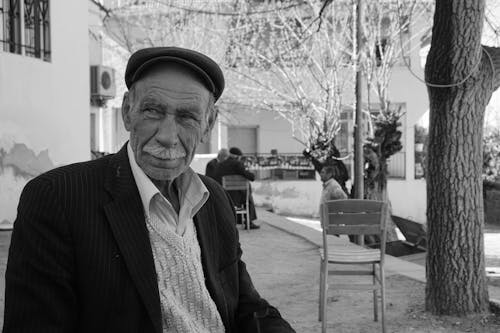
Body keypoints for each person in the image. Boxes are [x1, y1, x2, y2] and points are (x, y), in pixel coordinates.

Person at [3, 47, 295, 333]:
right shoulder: (57, 198)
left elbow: (245, 305)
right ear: (128, 111)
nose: (168, 137)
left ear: (208, 124)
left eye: (187, 117)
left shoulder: (213, 198)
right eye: (153, 111)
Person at [214, 147, 260, 230]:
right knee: (248, 196)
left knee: (245, 192)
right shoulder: (237, 164)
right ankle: (248, 222)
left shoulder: (221, 164)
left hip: (225, 195)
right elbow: (250, 177)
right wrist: (252, 174)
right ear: (237, 156)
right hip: (238, 198)